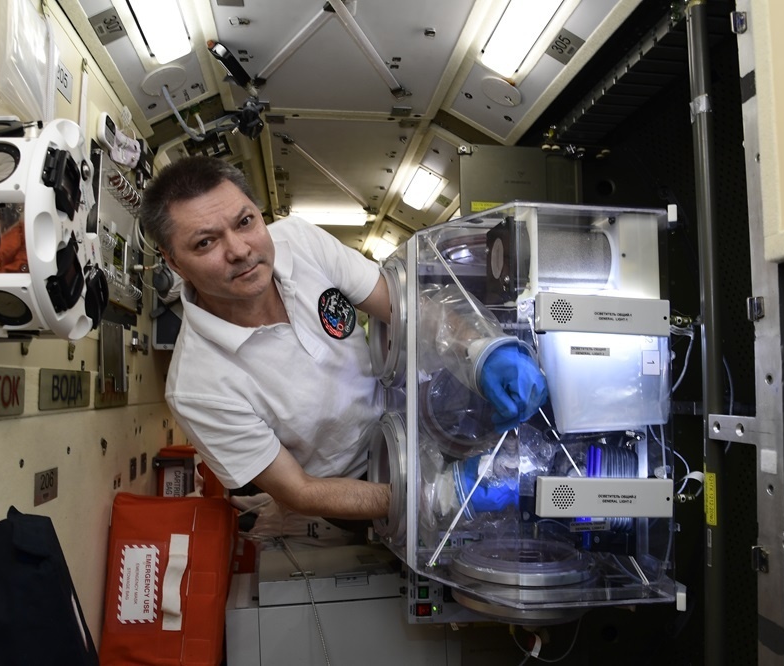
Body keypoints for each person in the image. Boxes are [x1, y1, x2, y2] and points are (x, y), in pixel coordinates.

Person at [138, 155, 547, 536]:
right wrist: (438, 495)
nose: (240, 251)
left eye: (245, 222)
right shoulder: (197, 387)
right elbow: (299, 491)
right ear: (174, 262)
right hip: (364, 482)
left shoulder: (299, 241)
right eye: (206, 243)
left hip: (419, 409)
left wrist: (480, 351)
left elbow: (405, 309)